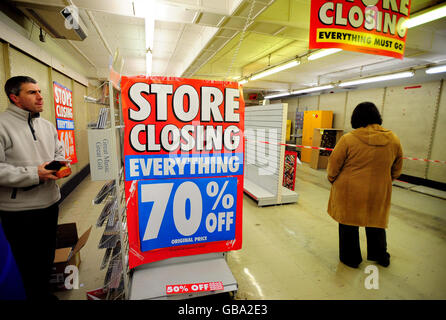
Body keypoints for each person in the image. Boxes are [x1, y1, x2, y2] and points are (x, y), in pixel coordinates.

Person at [0, 76, 70, 300]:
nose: (40, 97)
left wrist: (57, 167)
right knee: (25, 262)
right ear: (15, 97)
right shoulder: (2, 125)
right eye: (32, 92)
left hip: (49, 203)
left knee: (45, 257)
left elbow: (59, 153)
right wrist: (34, 174)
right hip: (19, 211)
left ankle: (44, 294)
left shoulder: (46, 125)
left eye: (39, 91)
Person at [326, 102, 403, 268]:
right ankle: (380, 255)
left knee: (348, 224)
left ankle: (351, 259)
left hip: (349, 191)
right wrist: (383, 181)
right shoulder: (393, 139)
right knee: (376, 222)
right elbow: (397, 169)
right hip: (378, 191)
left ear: (356, 118)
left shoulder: (348, 139)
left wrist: (333, 180)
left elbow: (333, 166)